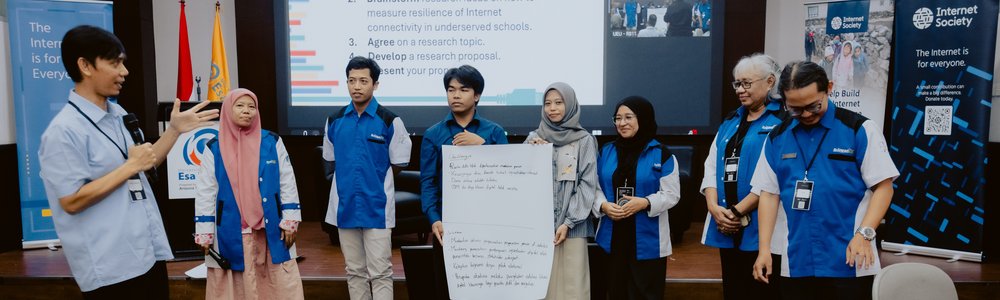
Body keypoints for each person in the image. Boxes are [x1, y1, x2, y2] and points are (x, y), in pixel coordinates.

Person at [38, 25, 218, 299]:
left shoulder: (117, 113)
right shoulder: (63, 131)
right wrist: (129, 167)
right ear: (85, 66)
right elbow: (71, 200)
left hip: (146, 254)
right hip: (111, 269)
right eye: (115, 63)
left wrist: (174, 131)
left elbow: (144, 164)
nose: (124, 72)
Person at [751, 61, 897, 300]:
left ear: (829, 87)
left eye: (813, 106)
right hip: (797, 257)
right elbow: (768, 193)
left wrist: (865, 234)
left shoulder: (859, 129)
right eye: (795, 109)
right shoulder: (778, 136)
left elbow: (884, 187)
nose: (806, 115)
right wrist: (764, 249)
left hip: (850, 256)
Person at [194, 88, 304, 299]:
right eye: (240, 106)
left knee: (276, 284)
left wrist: (291, 219)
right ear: (227, 109)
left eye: (252, 106)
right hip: (231, 228)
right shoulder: (214, 147)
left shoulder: (272, 141)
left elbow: (287, 180)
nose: (247, 111)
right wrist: (204, 231)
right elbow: (205, 192)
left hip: (270, 228)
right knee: (236, 285)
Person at [322, 57, 412, 300]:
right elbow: (330, 159)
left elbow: (399, 162)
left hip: (377, 208)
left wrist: (374, 183)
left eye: (363, 81)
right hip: (345, 206)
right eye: (352, 81)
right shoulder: (335, 120)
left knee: (381, 271)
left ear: (375, 84)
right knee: (354, 271)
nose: (357, 86)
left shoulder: (390, 121)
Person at [700, 54, 786, 300]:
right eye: (737, 83)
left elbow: (775, 178)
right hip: (726, 225)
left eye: (747, 83)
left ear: (770, 82)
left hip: (762, 226)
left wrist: (737, 211)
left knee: (761, 291)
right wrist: (714, 208)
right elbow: (711, 166)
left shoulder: (783, 121)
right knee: (733, 288)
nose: (740, 89)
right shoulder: (730, 120)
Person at [420, 65, 508, 299]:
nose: (455, 95)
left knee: (487, 289)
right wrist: (434, 218)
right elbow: (427, 181)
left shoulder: (494, 131)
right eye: (451, 90)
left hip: (488, 225)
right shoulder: (433, 133)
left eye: (463, 89)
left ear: (477, 95)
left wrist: (483, 146)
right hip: (448, 227)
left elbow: (509, 176)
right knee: (447, 288)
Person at [592, 96, 680, 300]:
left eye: (628, 117)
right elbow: (594, 187)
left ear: (644, 119)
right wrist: (603, 205)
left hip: (648, 238)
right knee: (615, 292)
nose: (622, 123)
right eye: (618, 118)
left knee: (645, 293)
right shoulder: (606, 152)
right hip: (612, 236)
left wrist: (645, 202)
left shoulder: (661, 154)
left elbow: (672, 194)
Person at [524, 82, 597, 300]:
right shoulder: (533, 138)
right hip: (540, 228)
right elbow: (523, 183)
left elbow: (587, 184)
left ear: (571, 105)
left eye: (559, 102)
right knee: (541, 288)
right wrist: (532, 154)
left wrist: (568, 222)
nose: (552, 108)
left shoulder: (584, 140)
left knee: (572, 289)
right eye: (547, 103)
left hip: (573, 227)